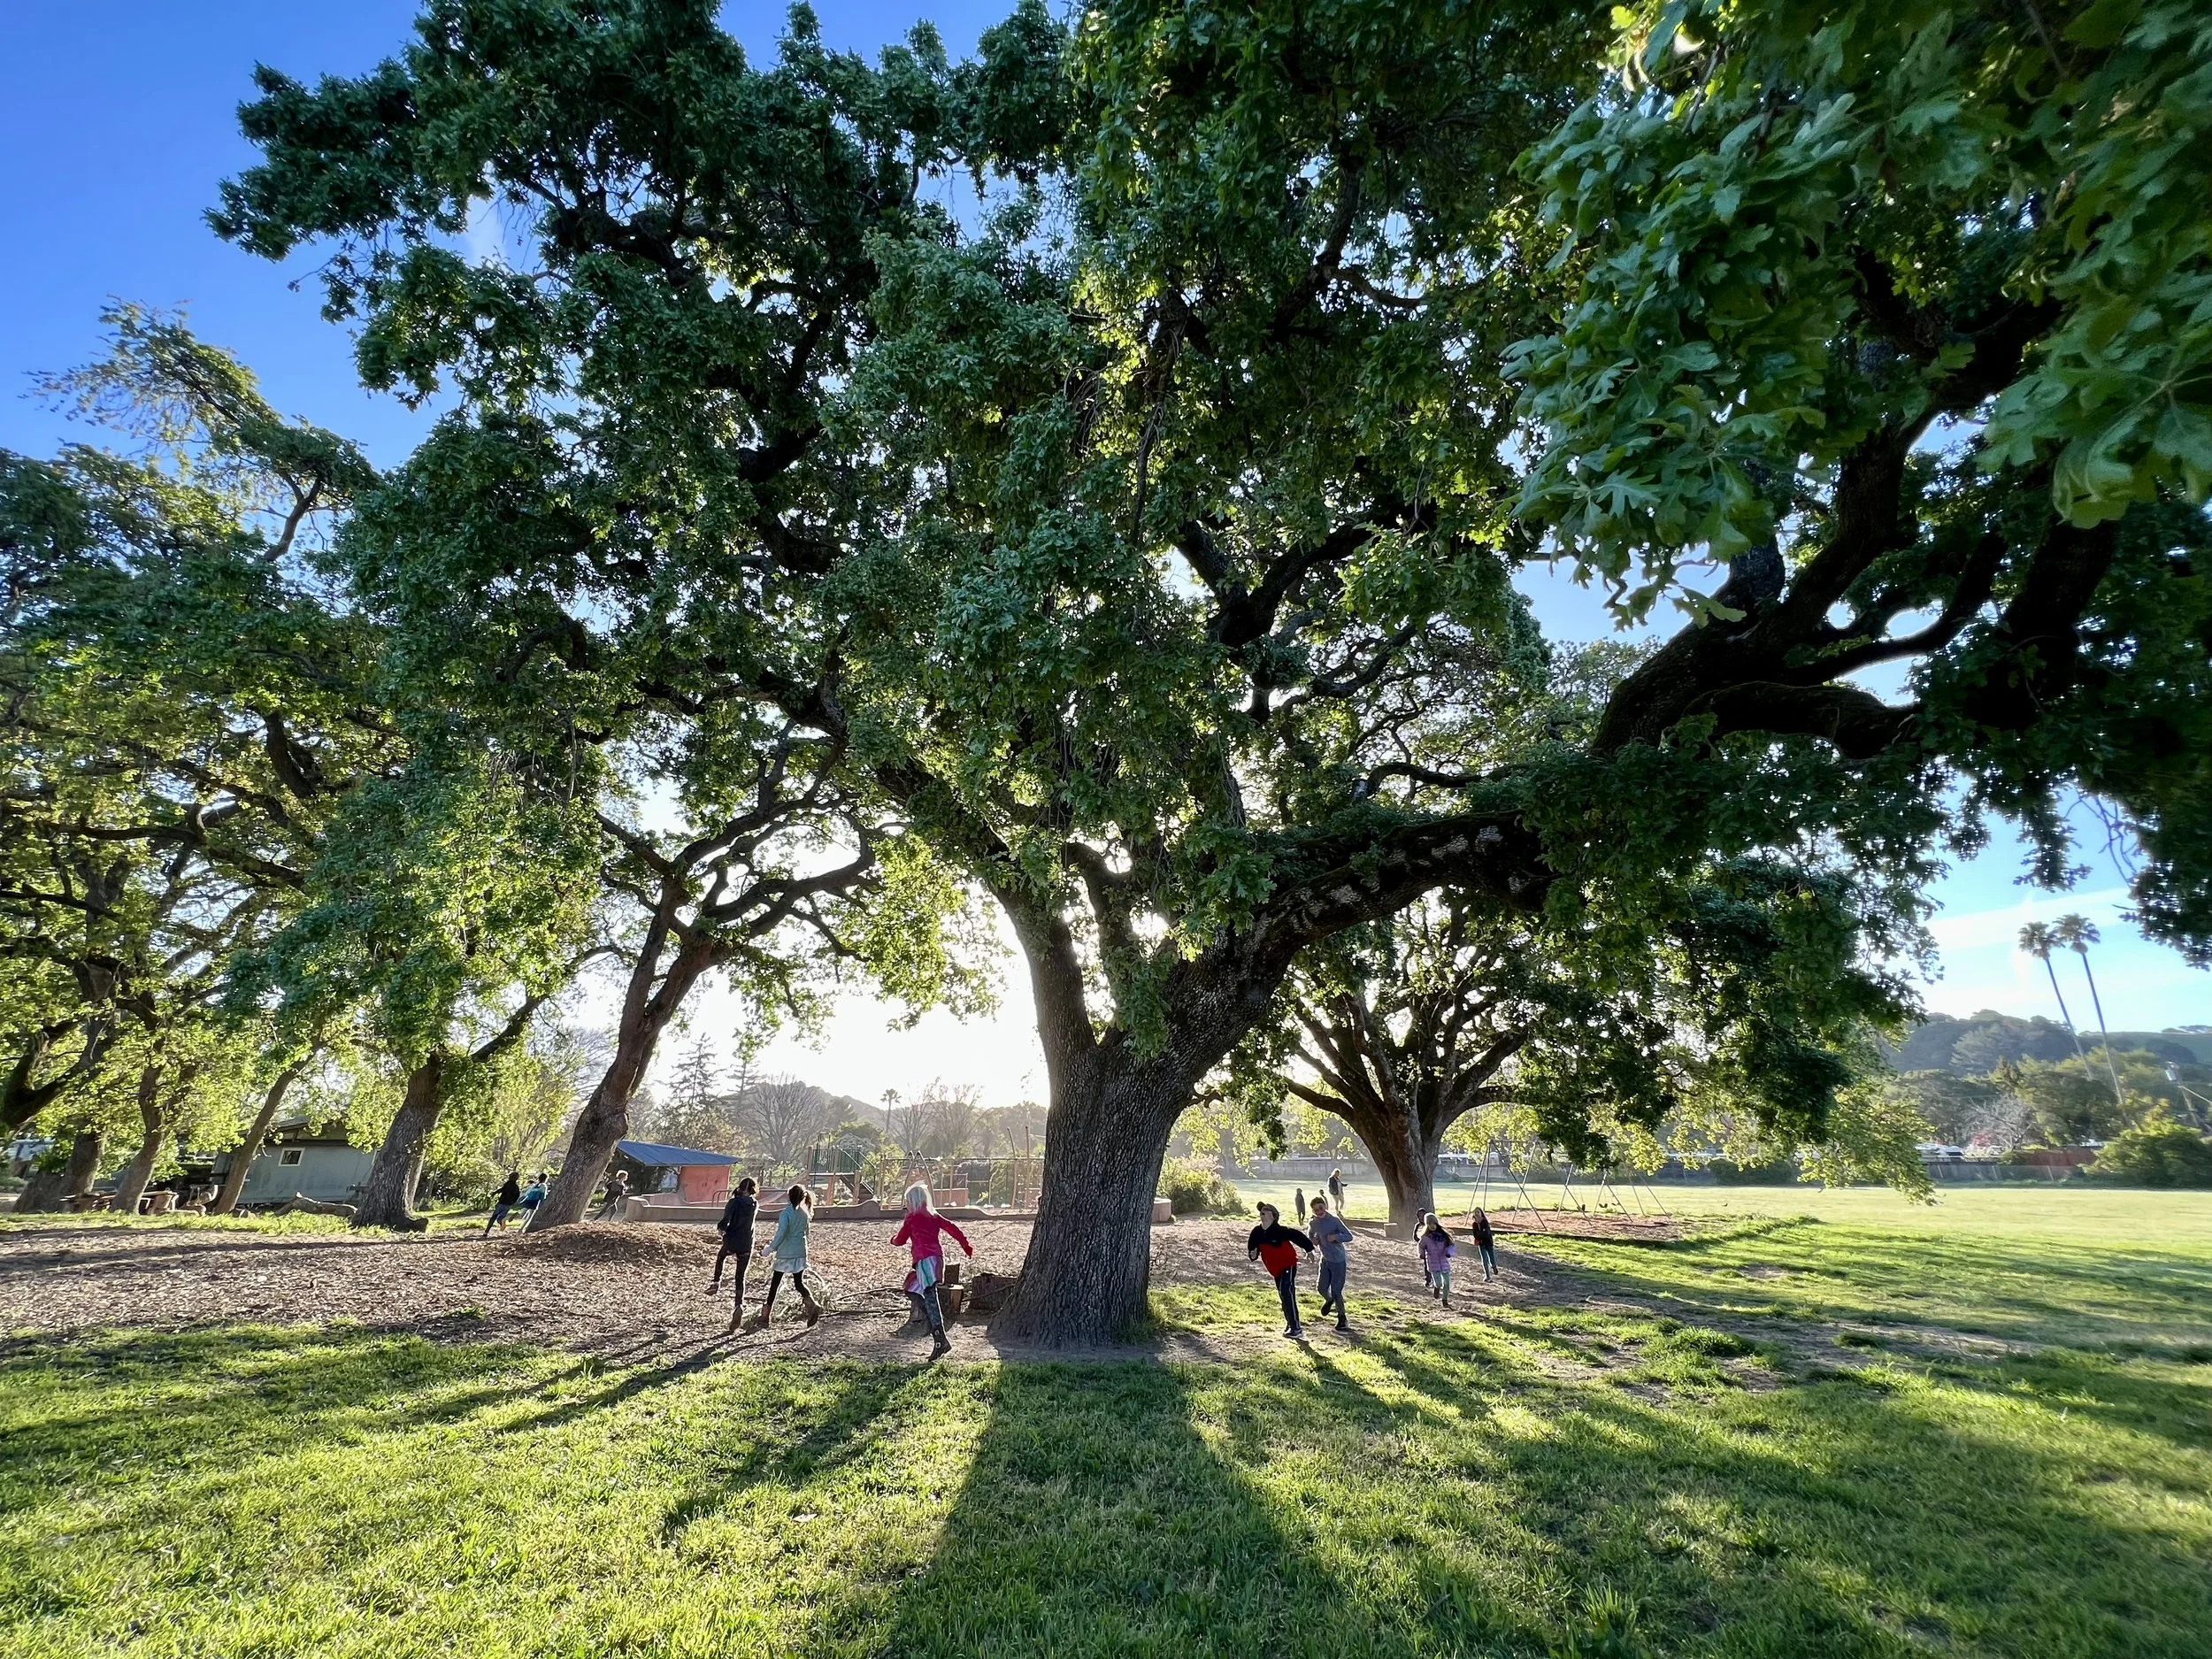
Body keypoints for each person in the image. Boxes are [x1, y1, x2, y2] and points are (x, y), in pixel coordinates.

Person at [890, 1181, 974, 1361]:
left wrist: (893, 1240)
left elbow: (901, 1239)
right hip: (936, 1260)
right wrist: (966, 1246)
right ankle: (932, 1326)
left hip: (925, 1261)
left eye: (907, 1201)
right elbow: (953, 1228)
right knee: (912, 1286)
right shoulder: (933, 1215)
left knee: (929, 1297)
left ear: (912, 1201)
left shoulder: (912, 1217)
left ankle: (939, 1338)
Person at [747, 1184, 822, 1332]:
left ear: (789, 1196)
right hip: (800, 1251)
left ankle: (765, 1316)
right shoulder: (805, 1213)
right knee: (799, 1283)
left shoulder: (786, 1213)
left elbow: (781, 1234)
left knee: (775, 1284)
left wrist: (770, 1249)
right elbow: (807, 1233)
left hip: (786, 1252)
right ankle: (812, 1304)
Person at [1247, 1202, 1317, 1339]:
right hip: (1274, 1268)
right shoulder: (1257, 1232)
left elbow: (1297, 1236)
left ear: (1274, 1216)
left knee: (1286, 1291)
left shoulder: (1280, 1231)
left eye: (1267, 1210)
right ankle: (1290, 1324)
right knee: (1283, 1294)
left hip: (1288, 1264)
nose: (1263, 1211)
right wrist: (1253, 1254)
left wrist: (1309, 1250)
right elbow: (1252, 1250)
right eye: (1262, 1210)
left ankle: (1296, 1328)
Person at [710, 1176, 759, 1317]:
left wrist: (721, 1229)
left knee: (721, 1256)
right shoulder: (754, 1203)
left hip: (732, 1240)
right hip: (747, 1243)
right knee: (740, 1276)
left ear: (740, 1187)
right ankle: (739, 1305)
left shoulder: (734, 1202)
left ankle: (716, 1282)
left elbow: (726, 1220)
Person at [1308, 1194, 1355, 1332]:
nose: (1319, 1211)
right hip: (1325, 1259)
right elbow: (1310, 1235)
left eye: (1321, 1208)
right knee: (1321, 1288)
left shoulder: (1334, 1221)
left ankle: (1342, 1318)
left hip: (1338, 1260)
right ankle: (1329, 1300)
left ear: (1325, 1206)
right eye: (1316, 1210)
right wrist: (1313, 1241)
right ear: (1313, 1211)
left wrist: (1336, 1237)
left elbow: (1349, 1236)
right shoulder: (1313, 1223)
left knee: (1336, 1291)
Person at [1419, 1211, 1455, 1308]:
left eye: (1434, 1223)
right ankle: (1436, 1287)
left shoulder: (1443, 1235)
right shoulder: (1425, 1238)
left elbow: (1451, 1245)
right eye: (1430, 1224)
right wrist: (1421, 1254)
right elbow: (1421, 1247)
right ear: (1427, 1225)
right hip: (1433, 1263)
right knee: (1439, 1282)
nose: (1432, 1226)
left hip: (1444, 1262)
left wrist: (1449, 1252)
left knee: (1447, 1283)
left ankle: (1445, 1300)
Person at [484, 1170, 522, 1236]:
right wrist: (513, 1202)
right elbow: (517, 1195)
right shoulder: (515, 1187)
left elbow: (502, 1189)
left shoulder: (508, 1184)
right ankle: (502, 1224)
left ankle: (486, 1232)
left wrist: (495, 1193)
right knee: (500, 1218)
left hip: (502, 1203)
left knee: (494, 1217)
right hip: (507, 1204)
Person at [1468, 1205, 1498, 1282]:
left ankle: (1494, 1266)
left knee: (1492, 1257)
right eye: (1475, 1212)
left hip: (1488, 1243)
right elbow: (1475, 1234)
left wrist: (1479, 1234)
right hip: (1481, 1244)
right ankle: (1487, 1276)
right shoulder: (1474, 1224)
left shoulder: (1484, 1222)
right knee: (1484, 1260)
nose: (1477, 1214)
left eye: (1478, 1212)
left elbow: (1486, 1233)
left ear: (1481, 1213)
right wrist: (1480, 1234)